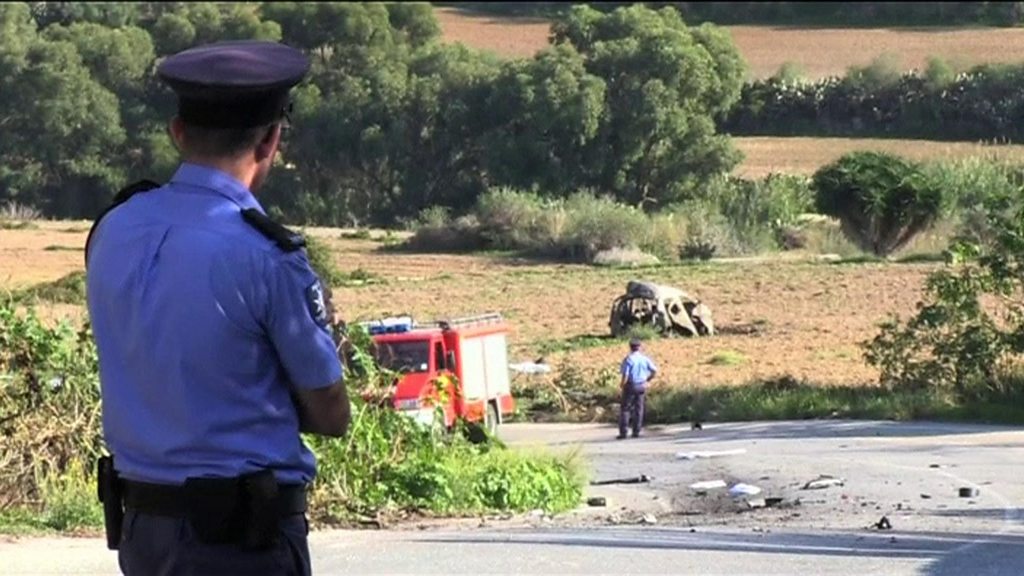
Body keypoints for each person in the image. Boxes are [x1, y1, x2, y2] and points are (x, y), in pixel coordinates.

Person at [85, 40, 350, 576]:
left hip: (143, 533)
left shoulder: (112, 231)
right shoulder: (266, 256)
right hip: (240, 543)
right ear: (272, 140)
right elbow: (331, 415)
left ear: (178, 133)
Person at [618, 337, 658, 439]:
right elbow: (654, 371)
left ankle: (624, 432)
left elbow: (625, 375)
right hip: (641, 385)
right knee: (639, 409)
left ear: (630, 347)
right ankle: (636, 431)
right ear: (639, 347)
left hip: (631, 385)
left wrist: (622, 385)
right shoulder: (644, 359)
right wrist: (647, 380)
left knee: (625, 409)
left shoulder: (628, 359)